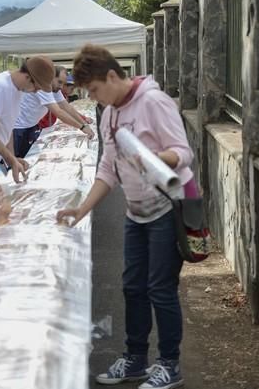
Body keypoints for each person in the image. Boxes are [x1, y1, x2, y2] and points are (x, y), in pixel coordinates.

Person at [56, 44, 194, 389]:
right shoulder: (110, 113)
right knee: (133, 287)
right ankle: (135, 359)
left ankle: (169, 364)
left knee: (159, 289)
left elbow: (183, 152)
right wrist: (82, 208)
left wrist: (150, 158)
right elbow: (108, 168)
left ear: (113, 76)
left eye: (96, 89)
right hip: (136, 212)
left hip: (166, 207)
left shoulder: (153, 102)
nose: (95, 97)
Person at [0, 56, 55, 182]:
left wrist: (12, 158)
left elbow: (8, 126)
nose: (35, 92)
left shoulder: (18, 90)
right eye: (37, 87)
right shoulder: (0, 87)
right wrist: (10, 159)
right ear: (28, 77)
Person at [13, 65, 95, 158]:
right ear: (51, 77)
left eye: (63, 83)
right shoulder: (43, 87)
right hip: (18, 128)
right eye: (59, 82)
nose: (61, 86)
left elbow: (67, 107)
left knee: (27, 157)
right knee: (18, 158)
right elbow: (59, 112)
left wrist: (84, 123)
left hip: (30, 126)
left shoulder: (54, 88)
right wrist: (82, 127)